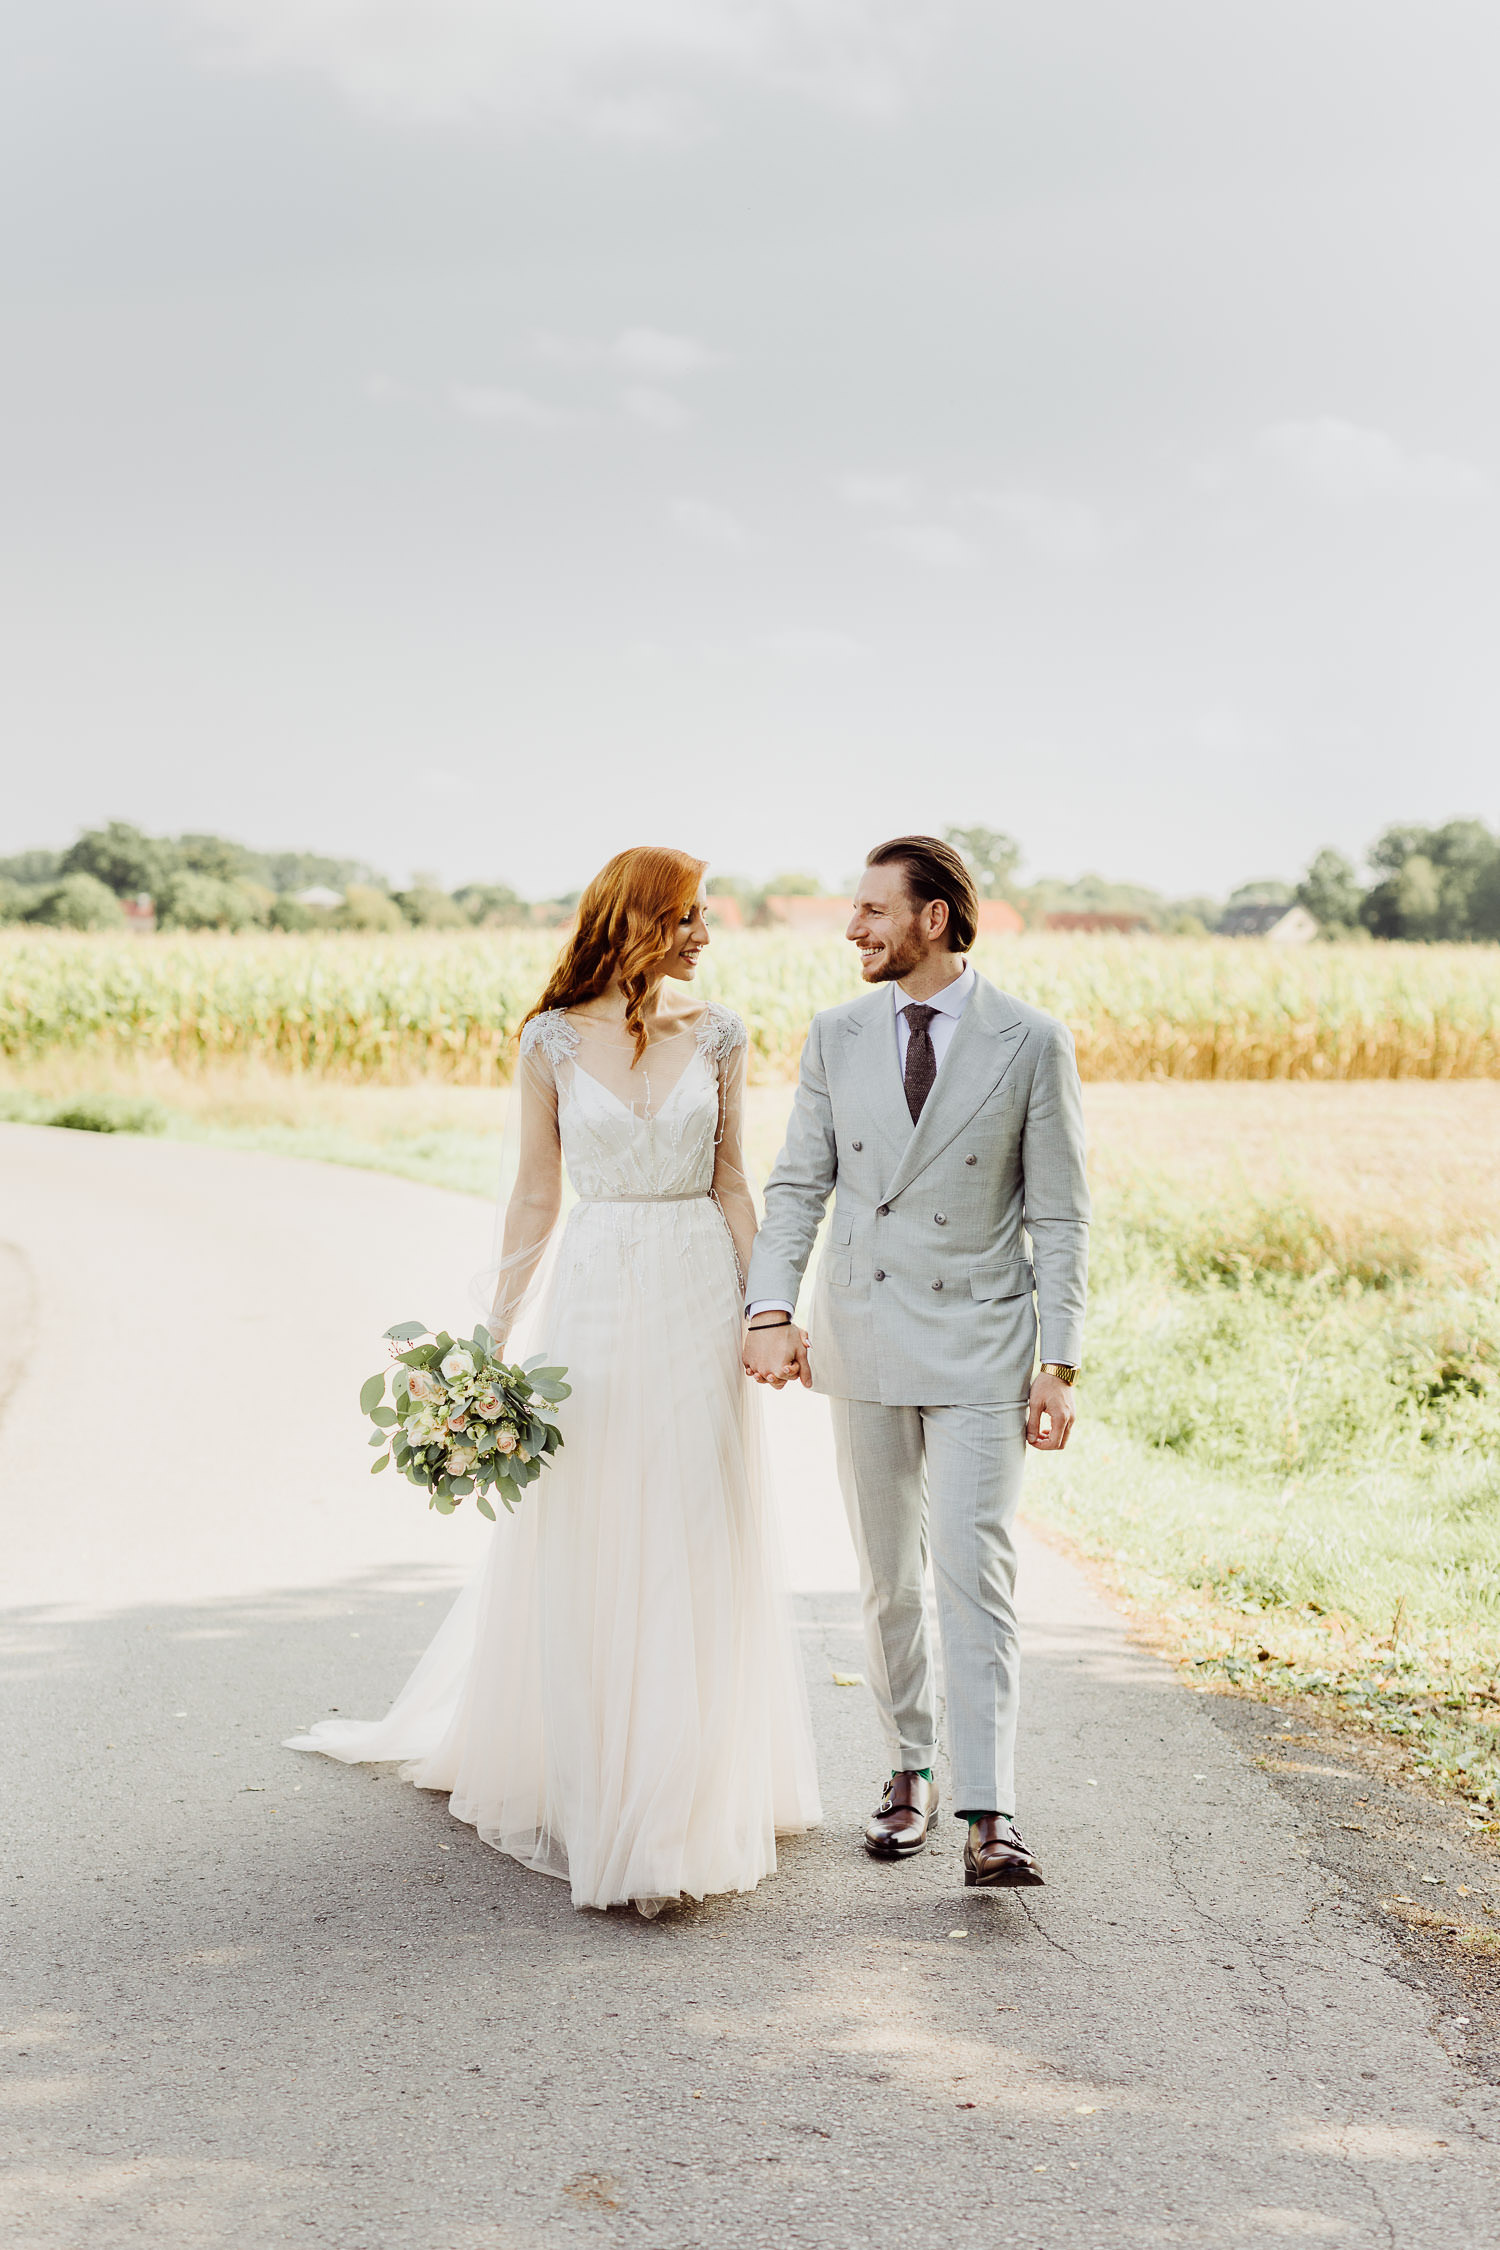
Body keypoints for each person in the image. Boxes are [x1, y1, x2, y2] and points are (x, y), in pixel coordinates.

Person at [288, 846, 821, 1915]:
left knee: (690, 1519)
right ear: (638, 921)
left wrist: (769, 1309)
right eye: (689, 915)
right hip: (592, 1297)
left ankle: (679, 1794)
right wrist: (487, 1339)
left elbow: (731, 1183)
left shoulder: (718, 1033)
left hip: (695, 1291)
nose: (707, 932)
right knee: (595, 1522)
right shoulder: (547, 1041)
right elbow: (536, 1197)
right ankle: (596, 1781)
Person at [743, 835, 1089, 1888]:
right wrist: (769, 1306)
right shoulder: (837, 1034)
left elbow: (1062, 1215)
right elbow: (800, 1184)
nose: (852, 928)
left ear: (933, 918)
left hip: (984, 1344)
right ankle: (911, 1771)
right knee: (889, 1581)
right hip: (868, 1334)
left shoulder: (1030, 1041)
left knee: (972, 1574)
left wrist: (1059, 1361)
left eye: (872, 910)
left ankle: (991, 1812)